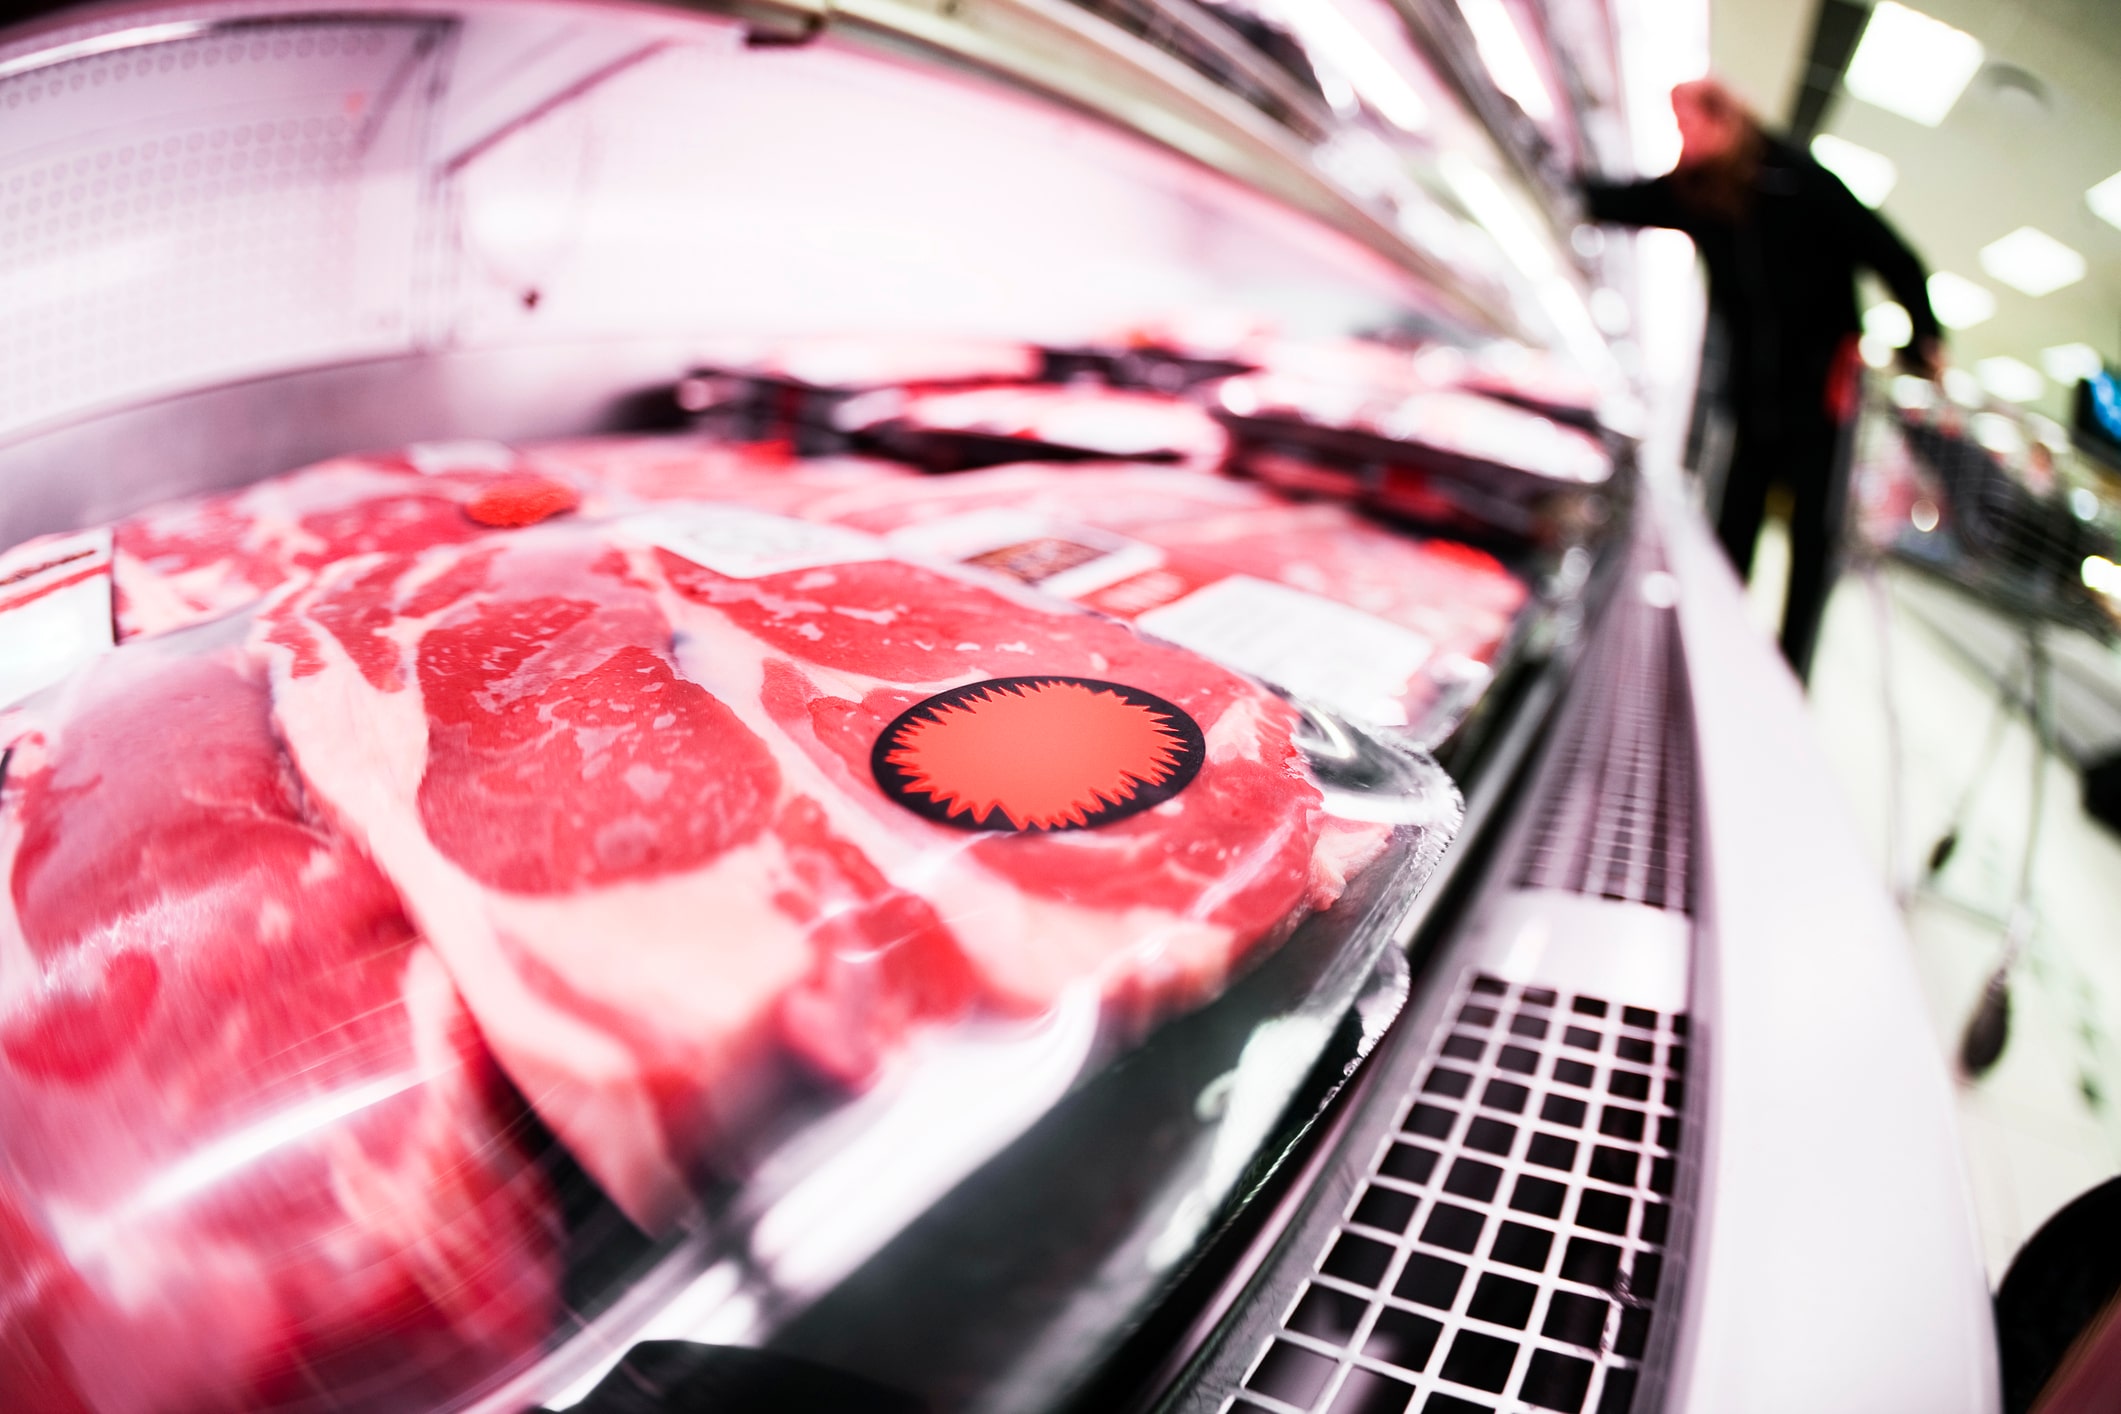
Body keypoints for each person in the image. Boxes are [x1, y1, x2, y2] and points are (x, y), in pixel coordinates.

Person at [1584, 77, 1943, 682]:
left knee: (1812, 539)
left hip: (1821, 397)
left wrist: (1923, 339)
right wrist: (1564, 184)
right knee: (1735, 523)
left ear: (1726, 121)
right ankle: (1708, 651)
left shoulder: (1799, 177)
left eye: (1689, 124)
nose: (1684, 139)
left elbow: (1894, 255)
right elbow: (1626, 202)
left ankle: (1789, 671)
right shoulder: (1697, 193)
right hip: (1753, 394)